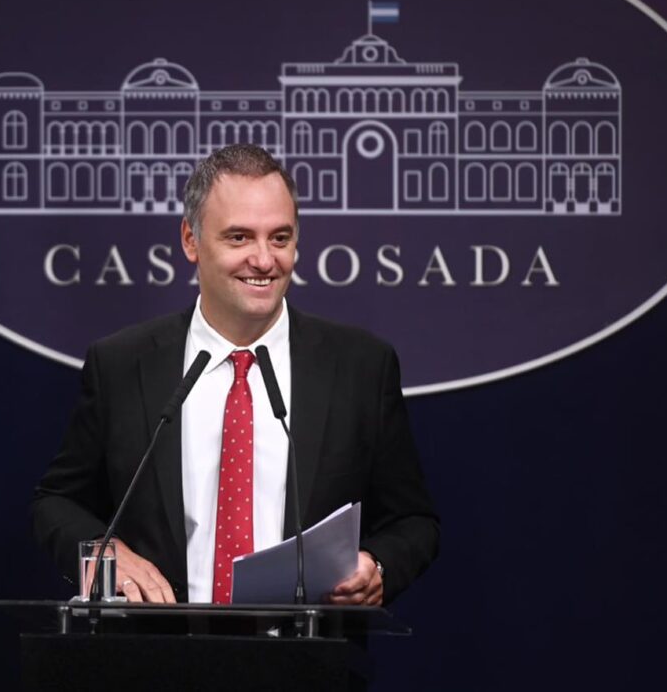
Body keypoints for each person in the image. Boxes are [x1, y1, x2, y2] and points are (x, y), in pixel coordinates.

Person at [32, 144, 438, 605]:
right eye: (239, 237)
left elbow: (413, 522)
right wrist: (100, 554)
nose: (264, 260)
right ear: (191, 240)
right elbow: (56, 502)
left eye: (280, 238)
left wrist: (376, 566)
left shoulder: (360, 366)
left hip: (306, 662)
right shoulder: (124, 364)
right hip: (155, 658)